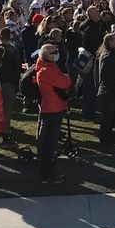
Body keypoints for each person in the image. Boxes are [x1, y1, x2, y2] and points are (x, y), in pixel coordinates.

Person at [35, 41, 71, 185]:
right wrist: (67, 77)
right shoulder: (47, 70)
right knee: (49, 144)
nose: (56, 54)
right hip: (52, 109)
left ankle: (48, 170)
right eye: (53, 53)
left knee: (50, 143)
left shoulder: (48, 66)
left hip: (54, 107)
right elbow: (65, 82)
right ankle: (46, 175)